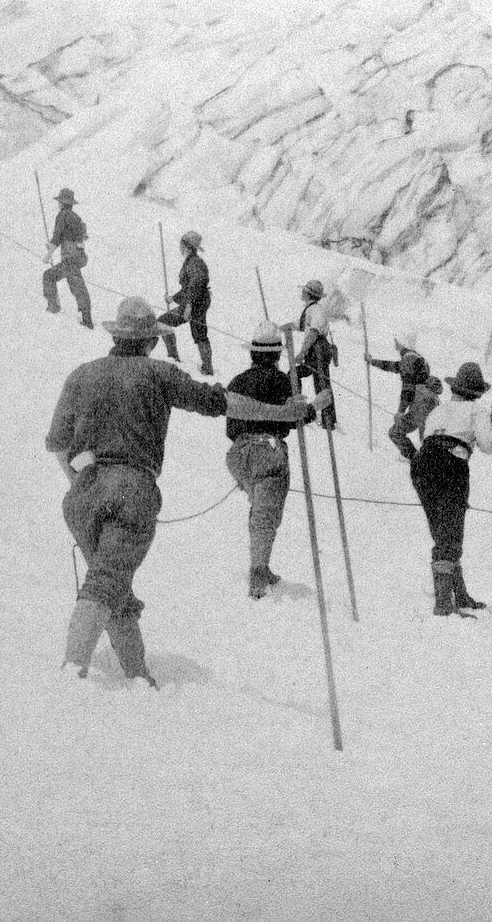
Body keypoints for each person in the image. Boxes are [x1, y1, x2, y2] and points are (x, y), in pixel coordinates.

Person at [47, 297, 320, 683]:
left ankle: (139, 676)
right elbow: (223, 403)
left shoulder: (80, 375)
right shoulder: (158, 374)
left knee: (114, 584)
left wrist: (82, 482)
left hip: (82, 494)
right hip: (133, 490)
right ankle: (73, 669)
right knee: (106, 581)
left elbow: (58, 445)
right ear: (151, 342)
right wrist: (283, 414)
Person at [225, 322, 328, 598]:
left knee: (258, 509)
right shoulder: (281, 381)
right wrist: (315, 407)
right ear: (276, 355)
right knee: (266, 514)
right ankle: (258, 572)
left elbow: (230, 426)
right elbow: (294, 416)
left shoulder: (237, 381)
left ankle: (261, 564)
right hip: (268, 451)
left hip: (238, 454)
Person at [411, 362, 492, 616]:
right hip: (451, 463)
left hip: (423, 463)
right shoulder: (477, 410)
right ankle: (443, 602)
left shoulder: (438, 411)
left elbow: (426, 438)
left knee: (443, 531)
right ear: (477, 393)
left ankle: (459, 594)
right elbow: (487, 445)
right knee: (450, 533)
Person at [158, 230, 213, 375]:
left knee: (163, 322)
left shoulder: (194, 263)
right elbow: (188, 288)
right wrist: (173, 298)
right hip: (198, 302)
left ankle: (174, 357)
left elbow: (195, 286)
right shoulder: (192, 262)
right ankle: (207, 368)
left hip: (195, 304)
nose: (180, 248)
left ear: (187, 247)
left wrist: (188, 305)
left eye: (181, 245)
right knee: (200, 334)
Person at [285, 279, 337, 430]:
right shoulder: (310, 309)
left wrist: (302, 352)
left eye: (304, 291)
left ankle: (326, 419)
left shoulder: (316, 310)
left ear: (308, 294)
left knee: (320, 383)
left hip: (318, 351)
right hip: (316, 351)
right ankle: (326, 418)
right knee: (316, 381)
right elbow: (300, 325)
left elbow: (314, 332)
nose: (301, 292)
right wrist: (283, 327)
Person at [43, 188, 93, 329]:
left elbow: (57, 237)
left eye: (59, 202)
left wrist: (48, 253)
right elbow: (81, 236)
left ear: (62, 203)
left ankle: (53, 309)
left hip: (70, 259)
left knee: (48, 276)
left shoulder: (62, 216)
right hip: (78, 258)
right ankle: (87, 320)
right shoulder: (76, 218)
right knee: (77, 286)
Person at [366, 331, 430, 413]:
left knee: (400, 426)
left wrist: (401, 411)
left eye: (397, 342)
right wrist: (372, 361)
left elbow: (408, 387)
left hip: (419, 404)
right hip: (424, 402)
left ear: (403, 342)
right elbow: (393, 366)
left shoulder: (408, 358)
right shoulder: (416, 358)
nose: (395, 346)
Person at [388, 375, 442, 460]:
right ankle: (415, 456)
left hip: (419, 420)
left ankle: (416, 457)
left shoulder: (421, 391)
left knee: (394, 432)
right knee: (395, 432)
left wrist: (400, 412)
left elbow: (406, 399)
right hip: (415, 419)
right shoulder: (432, 398)